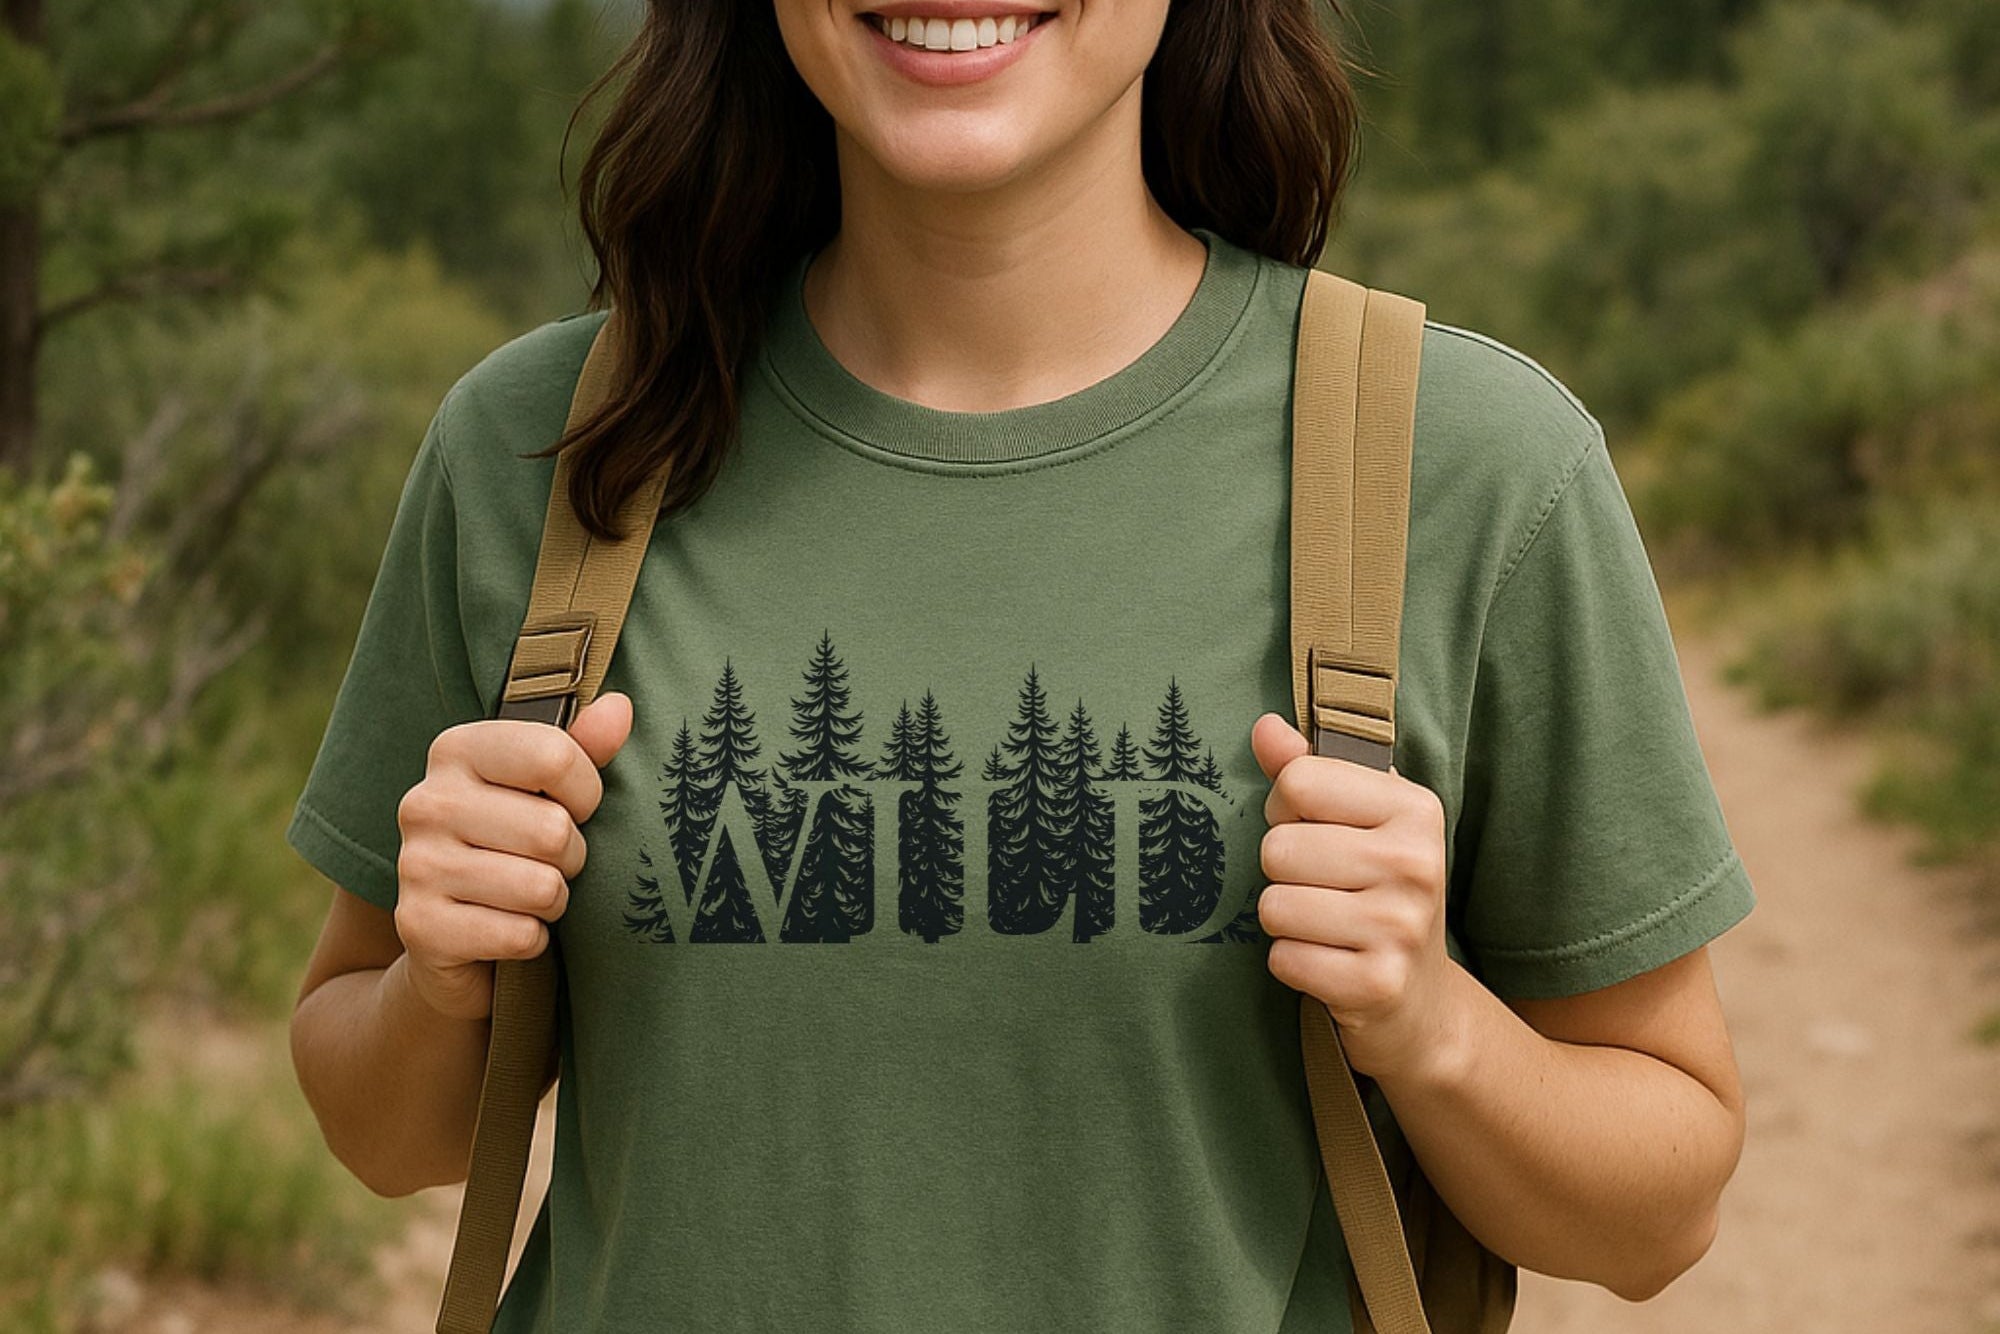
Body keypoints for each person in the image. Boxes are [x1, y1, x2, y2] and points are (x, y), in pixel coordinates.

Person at [285, 1, 1757, 1329]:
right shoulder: (549, 447)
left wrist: (1434, 1024)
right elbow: (381, 1128)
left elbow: (1660, 1206)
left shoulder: (1467, 469)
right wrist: (436, 978)